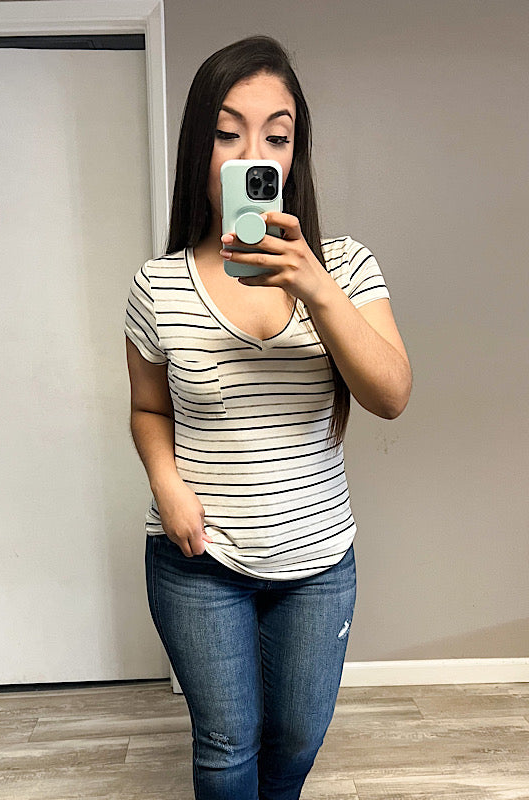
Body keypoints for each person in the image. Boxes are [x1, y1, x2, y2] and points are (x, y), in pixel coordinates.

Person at [124, 35, 411, 800]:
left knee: (295, 741)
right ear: (200, 148)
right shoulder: (157, 285)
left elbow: (390, 395)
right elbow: (147, 407)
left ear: (293, 154)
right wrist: (167, 485)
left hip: (318, 563)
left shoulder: (344, 266)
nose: (254, 155)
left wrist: (314, 286)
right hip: (198, 559)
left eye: (276, 137)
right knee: (227, 748)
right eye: (229, 133)